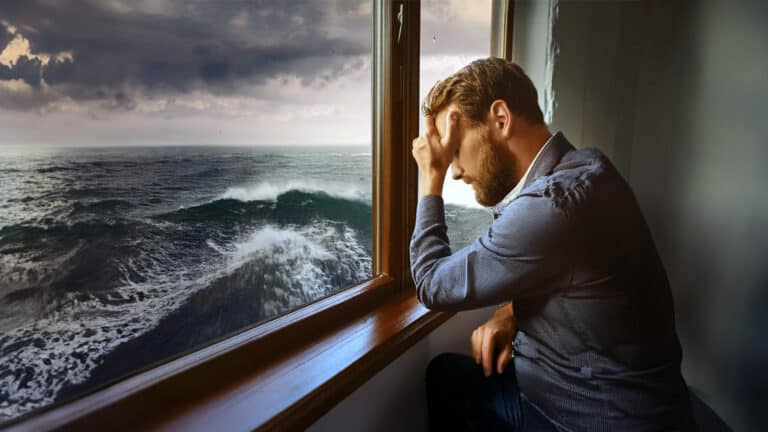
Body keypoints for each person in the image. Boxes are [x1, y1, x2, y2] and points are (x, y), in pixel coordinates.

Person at [409, 57, 696, 431]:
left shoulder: (552, 206)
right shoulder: (588, 168)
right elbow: (574, 275)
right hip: (638, 407)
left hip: (586, 419)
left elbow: (431, 283)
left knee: (446, 379)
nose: (456, 170)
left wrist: (431, 180)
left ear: (500, 119)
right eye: (446, 158)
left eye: (456, 146)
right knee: (449, 374)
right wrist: (508, 314)